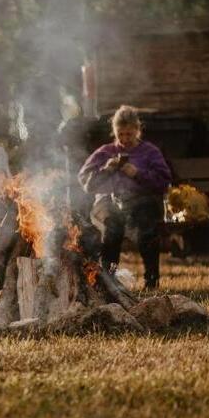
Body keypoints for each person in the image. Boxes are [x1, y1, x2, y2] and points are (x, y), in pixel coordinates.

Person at [78, 105, 171, 289]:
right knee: (113, 226)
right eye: (121, 134)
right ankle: (108, 280)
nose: (125, 139)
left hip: (140, 200)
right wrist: (106, 170)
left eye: (129, 134)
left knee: (147, 226)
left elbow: (164, 181)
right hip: (108, 200)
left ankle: (151, 279)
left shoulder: (149, 152)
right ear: (115, 132)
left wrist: (138, 174)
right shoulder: (105, 152)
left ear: (137, 130)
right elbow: (86, 181)